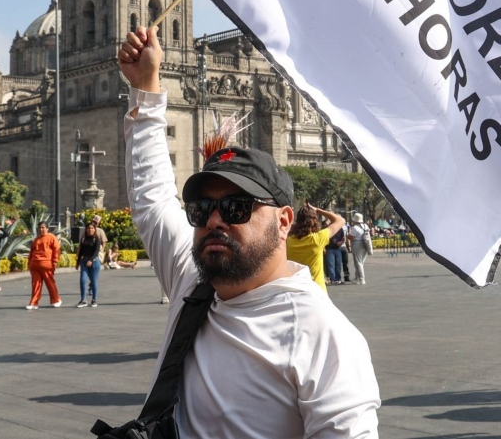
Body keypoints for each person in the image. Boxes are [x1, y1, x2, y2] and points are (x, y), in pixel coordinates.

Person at [115, 26, 379, 436]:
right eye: (202, 209)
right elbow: (153, 198)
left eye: (236, 207)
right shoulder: (191, 283)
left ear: (284, 221)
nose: (214, 221)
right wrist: (146, 87)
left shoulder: (323, 335)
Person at [286, 203, 339, 292]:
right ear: (315, 221)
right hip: (316, 289)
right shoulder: (318, 239)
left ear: (297, 221)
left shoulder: (288, 241)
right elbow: (339, 220)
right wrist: (319, 210)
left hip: (295, 289)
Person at [26, 221, 62, 310]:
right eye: (39, 228)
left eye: (43, 228)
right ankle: (34, 303)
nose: (41, 229)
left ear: (47, 228)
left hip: (47, 264)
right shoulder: (36, 239)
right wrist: (29, 262)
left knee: (50, 283)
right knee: (36, 284)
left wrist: (55, 261)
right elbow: (32, 251)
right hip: (35, 265)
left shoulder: (52, 237)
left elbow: (56, 250)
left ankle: (56, 300)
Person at [76, 222, 103, 307]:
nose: (90, 230)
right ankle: (83, 300)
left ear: (94, 229)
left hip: (94, 262)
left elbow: (96, 251)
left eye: (92, 228)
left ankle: (94, 300)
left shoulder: (96, 239)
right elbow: (81, 251)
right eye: (88, 228)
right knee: (83, 280)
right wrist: (78, 262)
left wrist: (91, 260)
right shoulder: (83, 239)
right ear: (86, 230)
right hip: (84, 261)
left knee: (94, 281)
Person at [347, 211, 372, 284]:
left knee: (358, 263)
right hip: (366, 243)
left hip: (357, 244)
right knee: (361, 262)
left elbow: (351, 237)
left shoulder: (355, 228)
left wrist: (348, 234)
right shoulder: (365, 226)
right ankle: (357, 278)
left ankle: (361, 279)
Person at [324, 217, 347, 285]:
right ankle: (333, 279)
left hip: (337, 248)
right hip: (329, 248)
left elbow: (343, 238)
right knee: (331, 265)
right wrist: (324, 248)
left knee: (338, 265)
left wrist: (341, 242)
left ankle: (338, 279)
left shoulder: (340, 229)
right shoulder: (327, 229)